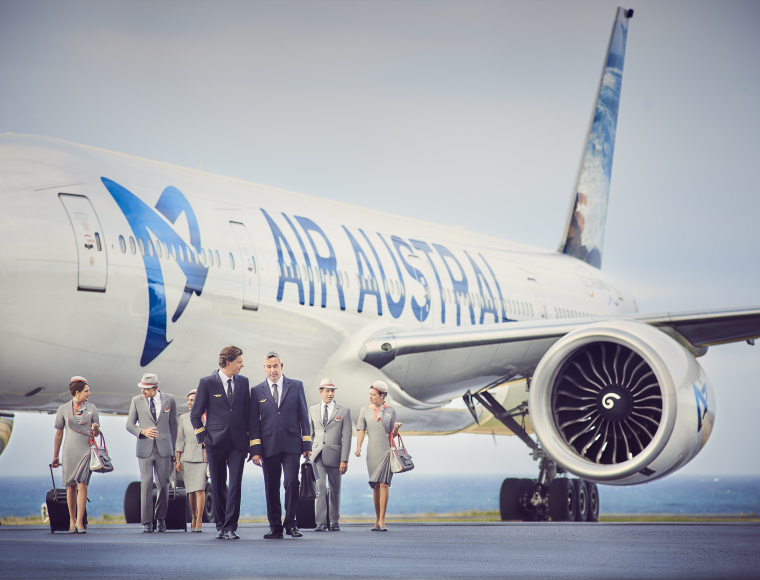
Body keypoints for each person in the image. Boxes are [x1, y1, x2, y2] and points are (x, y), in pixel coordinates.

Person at [248, 351, 312, 539]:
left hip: (292, 444)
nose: (272, 370)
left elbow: (304, 415)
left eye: (275, 366)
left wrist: (306, 443)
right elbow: (254, 423)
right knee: (271, 486)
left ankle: (291, 524)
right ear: (265, 368)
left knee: (292, 482)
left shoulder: (296, 386)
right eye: (269, 367)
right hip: (268, 446)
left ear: (281, 366)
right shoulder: (257, 390)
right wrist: (255, 450)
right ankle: (275, 526)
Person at [191, 346, 250, 540]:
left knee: (235, 485)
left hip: (238, 444)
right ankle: (220, 526)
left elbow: (247, 414)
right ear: (228, 362)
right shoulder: (207, 383)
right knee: (217, 485)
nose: (242, 365)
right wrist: (203, 439)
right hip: (215, 443)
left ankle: (231, 526)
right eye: (239, 361)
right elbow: (195, 415)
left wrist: (250, 440)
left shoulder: (243, 382)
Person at [126, 373, 178, 533]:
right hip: (144, 448)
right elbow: (129, 424)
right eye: (141, 389)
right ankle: (147, 522)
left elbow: (174, 426)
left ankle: (160, 519)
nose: (143, 392)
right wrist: (143, 431)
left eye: (146, 389)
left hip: (164, 449)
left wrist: (175, 449)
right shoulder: (136, 401)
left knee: (163, 485)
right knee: (146, 484)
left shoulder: (170, 400)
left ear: (155, 388)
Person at [52, 376, 101, 534]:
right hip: (69, 451)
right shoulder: (63, 409)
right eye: (86, 391)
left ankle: (80, 521)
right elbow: (59, 434)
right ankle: (71, 520)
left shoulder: (92, 408)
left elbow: (97, 433)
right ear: (77, 392)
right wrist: (55, 455)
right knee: (70, 486)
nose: (89, 393)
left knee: (82, 484)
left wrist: (96, 429)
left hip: (86, 450)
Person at [355, 380, 402, 531]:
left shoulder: (391, 411)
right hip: (372, 452)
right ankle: (376, 519)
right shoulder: (364, 410)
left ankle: (382, 520)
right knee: (375, 486)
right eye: (370, 394)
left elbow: (393, 436)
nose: (370, 397)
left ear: (382, 396)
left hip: (386, 451)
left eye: (373, 395)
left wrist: (395, 429)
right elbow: (361, 430)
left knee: (384, 484)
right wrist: (358, 447)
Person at [308, 377, 352, 532]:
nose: (330, 393)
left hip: (335, 456)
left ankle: (334, 521)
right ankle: (320, 522)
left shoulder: (344, 411)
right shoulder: (313, 409)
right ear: (320, 392)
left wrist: (344, 459)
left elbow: (347, 437)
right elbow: (311, 433)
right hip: (317, 455)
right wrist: (308, 452)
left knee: (335, 489)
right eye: (327, 390)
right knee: (319, 488)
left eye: (332, 390)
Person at [176, 389, 208, 532]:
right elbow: (179, 440)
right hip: (188, 457)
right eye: (188, 400)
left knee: (200, 489)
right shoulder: (183, 418)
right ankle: (193, 517)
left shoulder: (208, 417)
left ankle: (199, 519)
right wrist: (177, 460)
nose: (189, 402)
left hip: (202, 457)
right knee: (191, 491)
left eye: (193, 400)